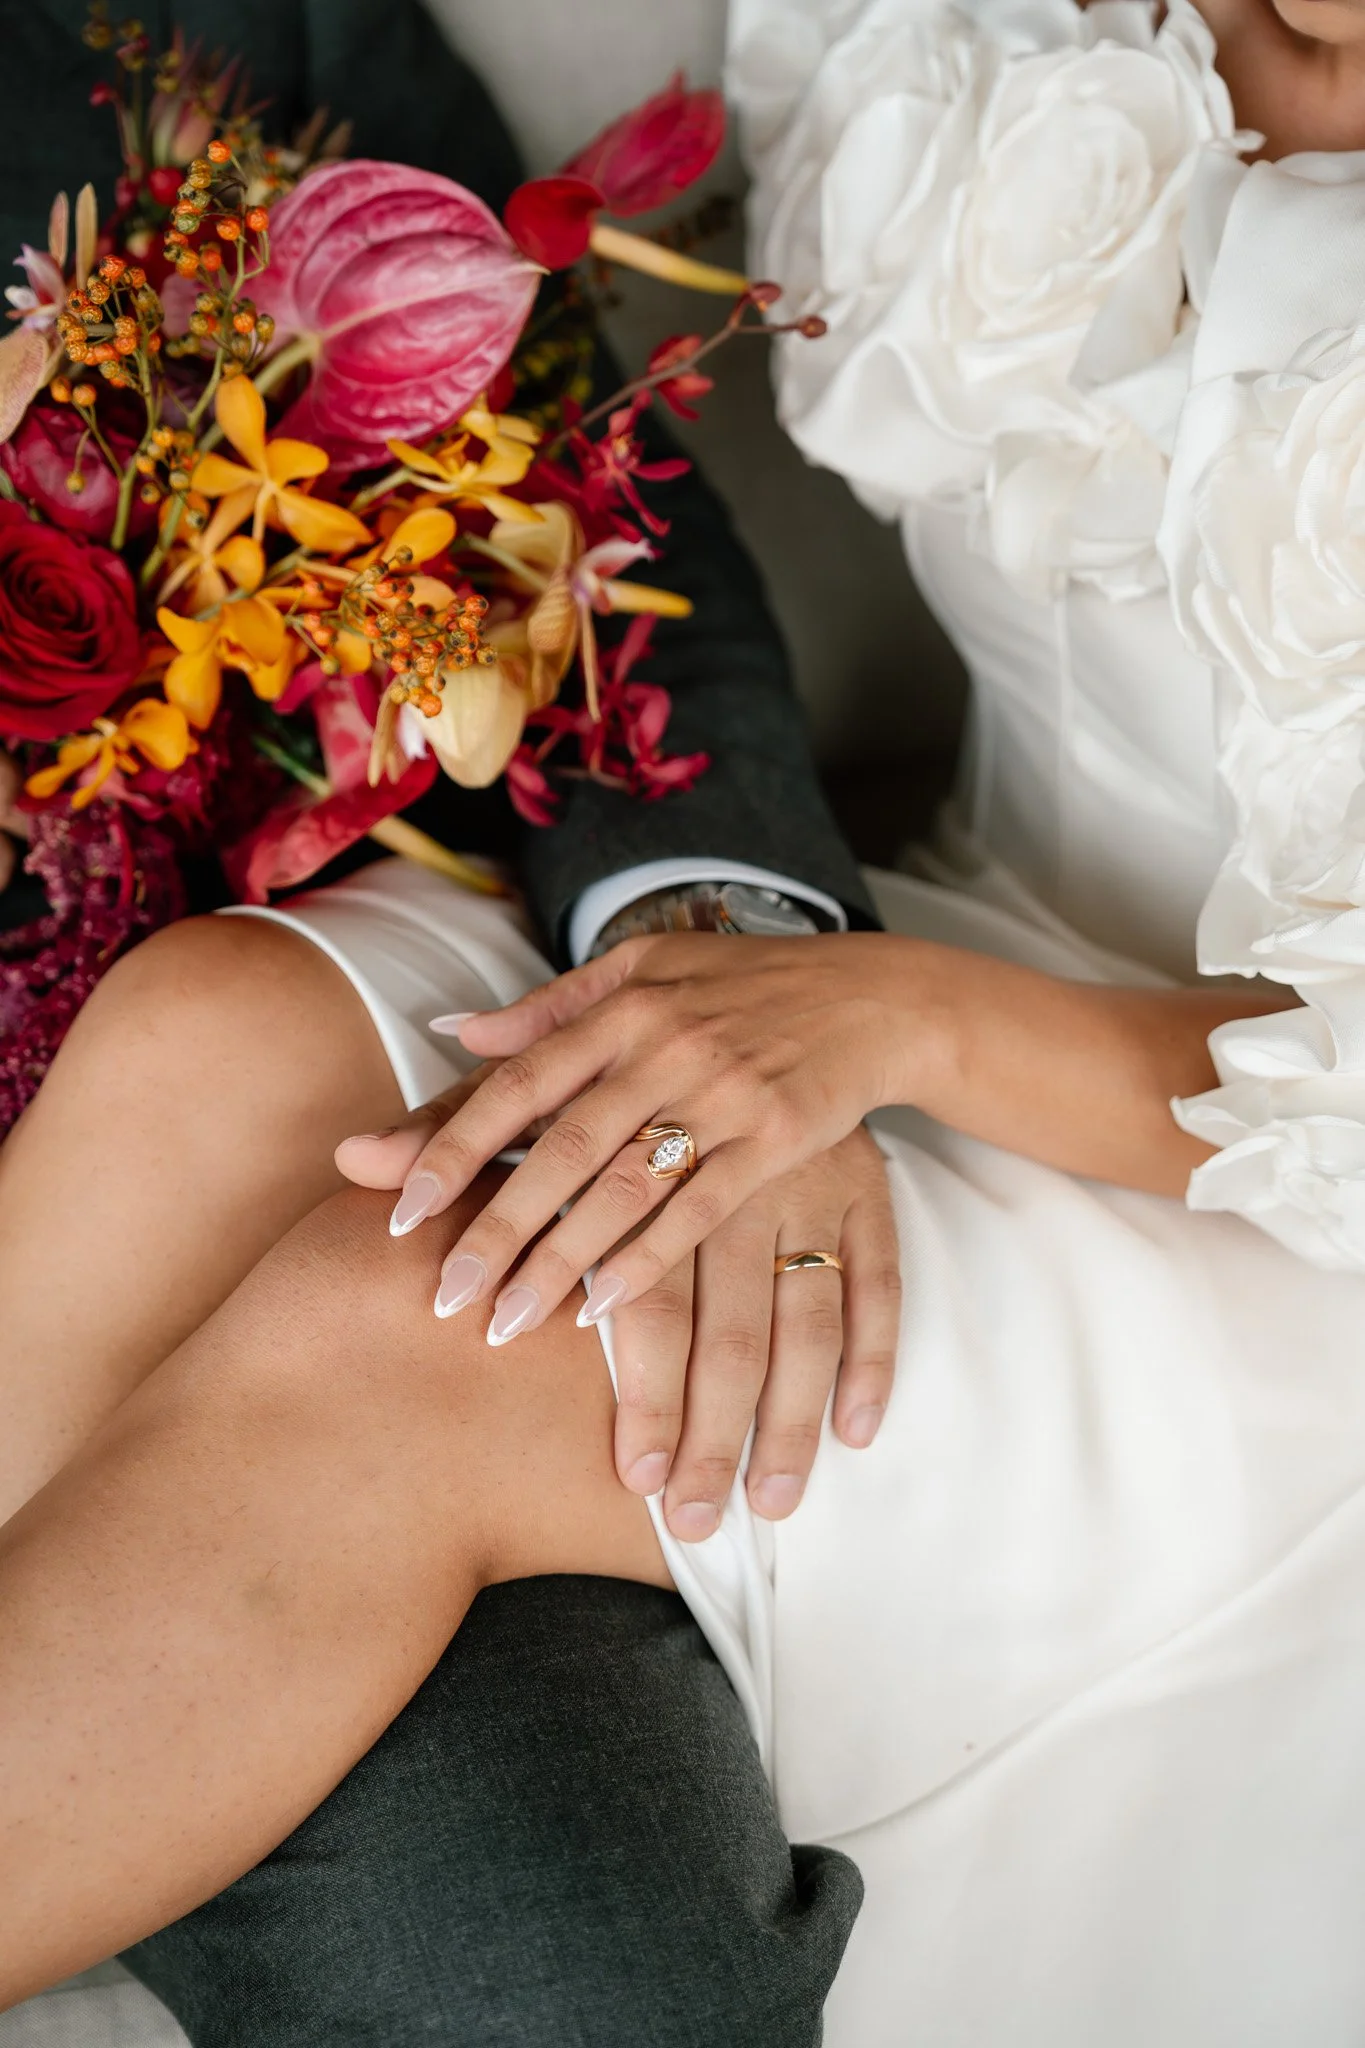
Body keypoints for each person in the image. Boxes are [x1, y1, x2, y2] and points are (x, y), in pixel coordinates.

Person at [11, 2, 1365, 2045]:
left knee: (427, 1310)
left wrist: (891, 1025)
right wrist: (805, 973)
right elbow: (602, 460)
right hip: (929, 924)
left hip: (1265, 1213)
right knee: (214, 1042)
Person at [0, 2, 871, 2041]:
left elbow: (600, 523)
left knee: (565, 1975)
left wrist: (733, 952)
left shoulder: (184, 34)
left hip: (251, 1137)